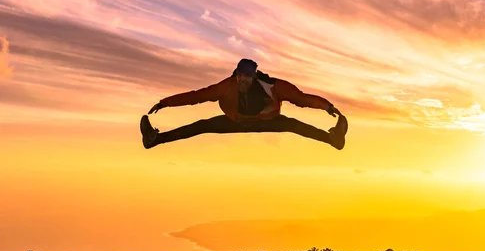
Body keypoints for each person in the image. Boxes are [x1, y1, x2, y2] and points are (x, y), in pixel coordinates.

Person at [140, 58, 348, 150]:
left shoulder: (273, 86)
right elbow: (197, 96)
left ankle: (334, 139)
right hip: (236, 121)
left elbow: (301, 99)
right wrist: (165, 103)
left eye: (246, 77)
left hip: (267, 121)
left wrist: (326, 106)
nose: (242, 80)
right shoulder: (227, 86)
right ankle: (154, 139)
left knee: (295, 125)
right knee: (201, 126)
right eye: (239, 76)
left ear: (254, 76)